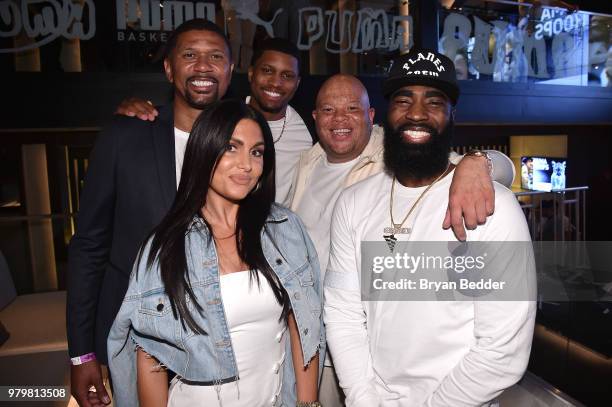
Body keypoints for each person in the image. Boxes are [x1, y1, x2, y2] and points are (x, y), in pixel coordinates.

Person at [323, 49, 536, 406]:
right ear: (386, 113)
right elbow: (343, 312)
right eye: (403, 100)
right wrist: (364, 398)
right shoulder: (353, 202)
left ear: (453, 114)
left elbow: (503, 350)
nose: (417, 113)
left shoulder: (495, 206)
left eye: (434, 102)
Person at [108, 99, 324, 407]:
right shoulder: (167, 245)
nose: (246, 164)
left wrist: (307, 404)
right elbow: (150, 358)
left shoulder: (285, 228)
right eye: (231, 148)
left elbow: (304, 324)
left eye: (256, 152)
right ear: (204, 151)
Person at [66, 19, 233, 407]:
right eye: (190, 55)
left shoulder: (243, 143)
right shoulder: (125, 138)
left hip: (226, 341)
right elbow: (89, 247)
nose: (204, 66)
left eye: (215, 57)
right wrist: (81, 353)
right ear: (169, 68)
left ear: (229, 70)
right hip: (141, 343)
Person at [117, 38, 314, 205]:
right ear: (251, 73)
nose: (276, 83)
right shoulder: (220, 117)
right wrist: (134, 109)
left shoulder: (311, 130)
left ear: (297, 83)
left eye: (287, 76)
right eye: (268, 71)